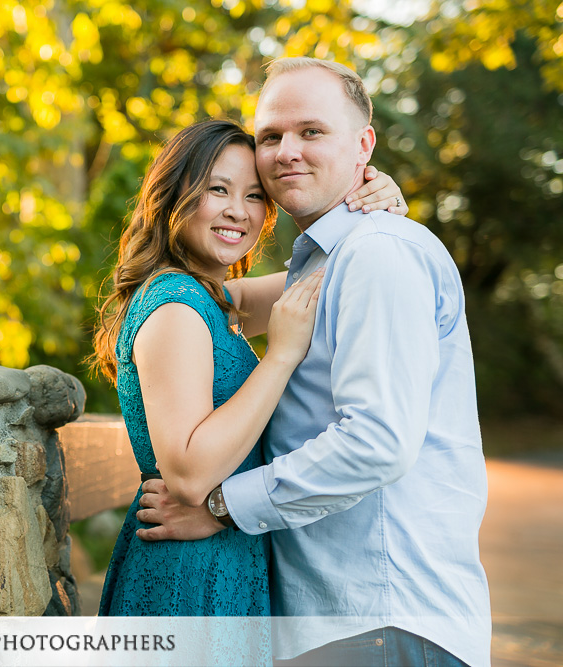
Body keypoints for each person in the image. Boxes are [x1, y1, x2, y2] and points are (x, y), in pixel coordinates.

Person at [137, 58, 490, 667]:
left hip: (381, 618)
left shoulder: (376, 254)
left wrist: (222, 507)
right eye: (271, 136)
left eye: (312, 131)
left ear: (364, 146)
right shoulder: (326, 260)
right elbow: (215, 301)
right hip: (342, 625)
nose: (287, 152)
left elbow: (379, 441)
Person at [89, 117, 407, 661]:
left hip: (223, 559)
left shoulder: (211, 300)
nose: (239, 209)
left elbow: (331, 276)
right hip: (188, 577)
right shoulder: (173, 307)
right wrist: (280, 356)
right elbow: (187, 472)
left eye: (255, 195)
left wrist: (374, 209)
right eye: (218, 189)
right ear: (173, 196)